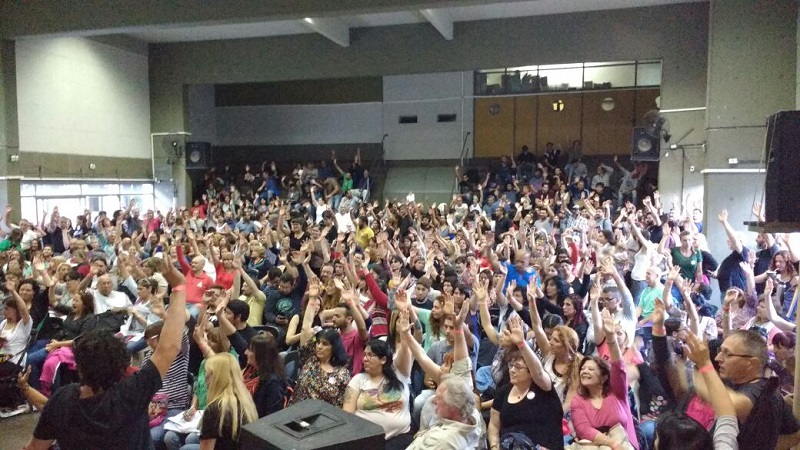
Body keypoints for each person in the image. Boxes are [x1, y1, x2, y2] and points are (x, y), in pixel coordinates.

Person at [26, 252, 187, 450]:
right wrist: (178, 288)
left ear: (80, 365)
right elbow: (169, 346)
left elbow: (35, 447)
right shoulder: (132, 392)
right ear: (121, 363)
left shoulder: (63, 398)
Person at [696, 330, 800, 450]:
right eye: (720, 351)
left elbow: (729, 404)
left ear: (751, 363)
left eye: (727, 354)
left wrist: (703, 364)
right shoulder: (732, 381)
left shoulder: (764, 392)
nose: (718, 358)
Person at [489, 316, 565, 450]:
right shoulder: (503, 392)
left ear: (530, 372)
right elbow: (494, 425)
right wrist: (495, 446)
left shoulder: (542, 388)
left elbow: (539, 373)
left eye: (518, 367)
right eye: (511, 366)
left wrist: (522, 344)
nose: (512, 370)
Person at [571, 309, 639, 449]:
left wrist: (611, 338)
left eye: (590, 369)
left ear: (604, 377)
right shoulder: (578, 399)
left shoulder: (617, 391)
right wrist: (611, 443)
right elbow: (583, 429)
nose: (584, 371)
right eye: (583, 369)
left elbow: (618, 367)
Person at [343, 338, 413, 449]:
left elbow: (406, 350)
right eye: (365, 355)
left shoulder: (400, 375)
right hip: (367, 440)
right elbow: (347, 415)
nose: (365, 359)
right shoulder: (358, 380)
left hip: (400, 437)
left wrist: (405, 334)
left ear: (383, 359)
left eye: (370, 355)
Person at [182, 353, 258, 450]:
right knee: (191, 441)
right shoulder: (246, 400)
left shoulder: (214, 409)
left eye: (208, 373)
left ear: (216, 377)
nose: (205, 378)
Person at [290, 294, 350, 407]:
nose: (319, 346)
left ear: (334, 347)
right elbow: (305, 328)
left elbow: (342, 405)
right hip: (296, 414)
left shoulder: (342, 374)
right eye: (318, 342)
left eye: (325, 344)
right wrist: (312, 299)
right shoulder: (310, 359)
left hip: (323, 421)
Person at [241, 333, 288, 417]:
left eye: (250, 350)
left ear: (261, 354)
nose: (245, 352)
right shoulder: (251, 370)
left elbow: (272, 416)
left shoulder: (273, 383)